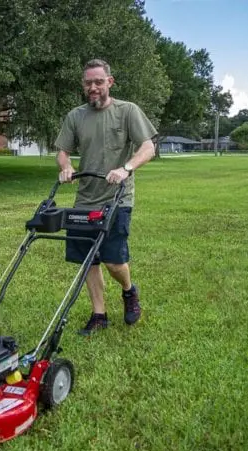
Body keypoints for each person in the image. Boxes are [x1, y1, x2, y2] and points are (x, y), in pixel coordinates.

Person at [54, 58, 157, 336]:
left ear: (109, 82)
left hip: (117, 198)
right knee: (88, 260)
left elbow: (148, 148)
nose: (93, 87)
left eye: (99, 81)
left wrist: (126, 168)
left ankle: (128, 291)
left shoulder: (127, 111)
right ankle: (99, 314)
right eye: (88, 82)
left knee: (113, 260)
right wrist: (65, 167)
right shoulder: (76, 116)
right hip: (85, 198)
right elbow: (62, 150)